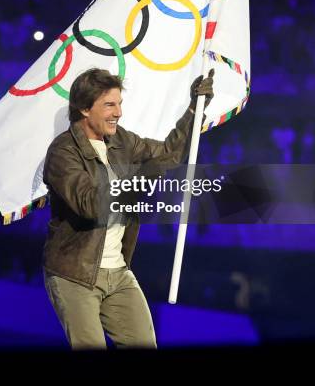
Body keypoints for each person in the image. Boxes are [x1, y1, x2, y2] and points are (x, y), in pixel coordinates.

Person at [42, 67, 214, 349]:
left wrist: (195, 109)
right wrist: (140, 180)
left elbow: (167, 154)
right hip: (75, 274)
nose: (119, 112)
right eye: (110, 104)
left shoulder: (121, 140)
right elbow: (89, 204)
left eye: (120, 103)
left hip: (118, 272)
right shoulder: (63, 151)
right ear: (85, 109)